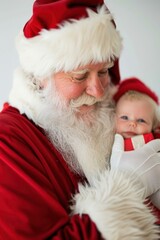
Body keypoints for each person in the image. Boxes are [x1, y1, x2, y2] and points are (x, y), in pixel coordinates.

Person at [0, 0, 160, 239]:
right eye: (80, 76)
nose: (97, 91)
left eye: (104, 71)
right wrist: (128, 187)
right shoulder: (8, 142)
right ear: (42, 76)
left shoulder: (114, 113)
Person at [113, 77, 160, 222]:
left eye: (141, 120)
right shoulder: (111, 144)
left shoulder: (153, 141)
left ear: (154, 126)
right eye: (125, 117)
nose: (132, 124)